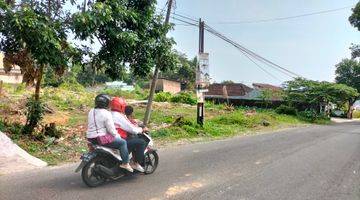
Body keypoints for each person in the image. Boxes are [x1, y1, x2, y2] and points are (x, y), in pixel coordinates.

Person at [86, 94, 133, 172]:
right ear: (106, 103)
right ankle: (125, 163)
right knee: (123, 143)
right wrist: (118, 136)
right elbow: (112, 130)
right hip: (100, 138)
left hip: (90, 138)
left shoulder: (91, 111)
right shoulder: (106, 113)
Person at [110, 97, 147, 172]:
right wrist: (141, 130)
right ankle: (135, 163)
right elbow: (131, 129)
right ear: (120, 106)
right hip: (120, 138)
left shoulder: (109, 113)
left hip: (108, 138)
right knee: (141, 142)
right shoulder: (119, 116)